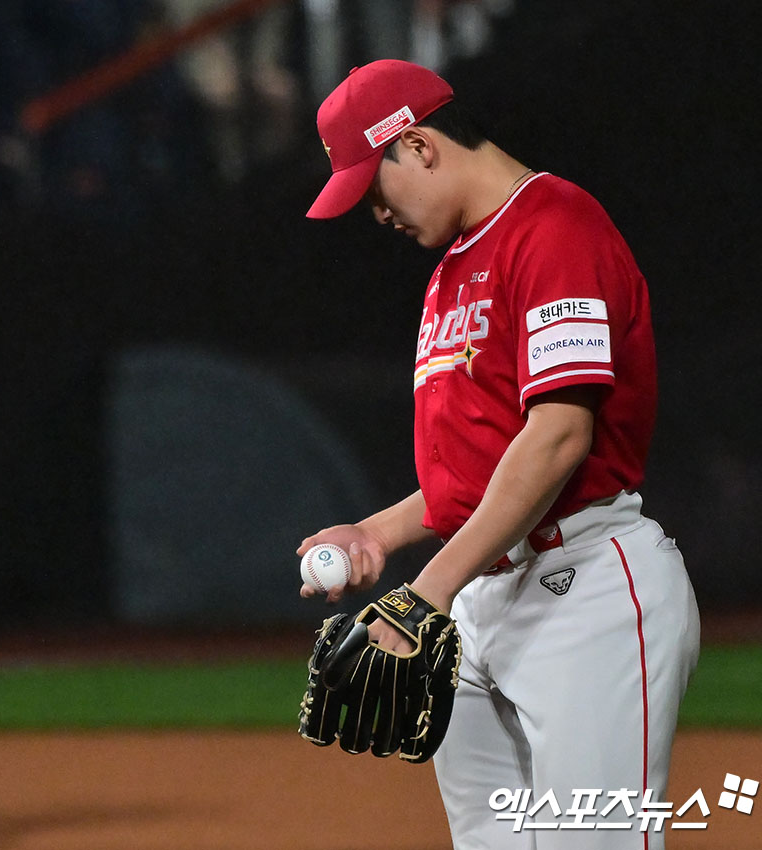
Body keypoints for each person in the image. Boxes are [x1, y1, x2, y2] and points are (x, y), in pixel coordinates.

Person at [296, 60, 700, 847]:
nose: (376, 213)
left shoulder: (555, 226)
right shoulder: (450, 272)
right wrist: (377, 534)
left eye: (373, 189)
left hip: (586, 589)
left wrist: (425, 593)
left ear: (419, 145)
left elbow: (558, 436)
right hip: (480, 597)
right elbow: (482, 470)